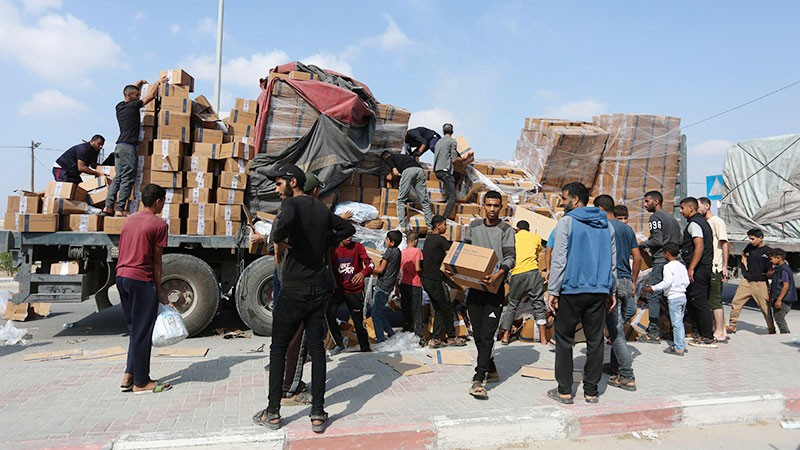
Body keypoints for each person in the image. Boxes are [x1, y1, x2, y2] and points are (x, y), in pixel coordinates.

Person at [253, 164, 353, 433]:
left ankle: (273, 412)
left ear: (293, 182)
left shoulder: (291, 206)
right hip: (318, 289)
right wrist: (325, 242)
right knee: (317, 350)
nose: (277, 189)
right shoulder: (321, 207)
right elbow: (347, 228)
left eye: (279, 184)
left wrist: (282, 240)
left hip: (294, 288)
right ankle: (318, 414)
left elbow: (280, 228)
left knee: (278, 348)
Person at [546, 183, 615, 405]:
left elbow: (559, 259)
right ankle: (591, 391)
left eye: (563, 198)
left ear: (576, 200)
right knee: (596, 341)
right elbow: (611, 261)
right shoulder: (607, 226)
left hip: (571, 290)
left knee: (565, 340)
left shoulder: (567, 223)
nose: (562, 203)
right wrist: (610, 289)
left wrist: (552, 290)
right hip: (598, 291)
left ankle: (565, 390)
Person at [457, 191, 515, 400]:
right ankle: (490, 368)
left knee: (488, 334)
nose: (492, 209)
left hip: (494, 288)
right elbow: (464, 252)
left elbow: (510, 257)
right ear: (483, 205)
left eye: (496, 206)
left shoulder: (506, 230)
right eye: (489, 205)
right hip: (475, 288)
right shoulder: (473, 227)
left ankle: (478, 378)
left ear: (501, 207)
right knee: (480, 334)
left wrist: (499, 273)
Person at [116, 183, 171, 394]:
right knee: (143, 333)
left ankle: (128, 375)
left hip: (122, 277)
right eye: (163, 201)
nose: (163, 205)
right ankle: (141, 382)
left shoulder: (129, 220)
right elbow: (157, 262)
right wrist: (158, 289)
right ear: (158, 201)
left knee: (134, 331)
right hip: (141, 280)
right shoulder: (159, 225)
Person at [105, 76, 168, 217]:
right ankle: (120, 209)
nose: (139, 97)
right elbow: (151, 96)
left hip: (119, 147)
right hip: (128, 148)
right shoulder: (134, 106)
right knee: (127, 178)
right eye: (137, 95)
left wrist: (138, 83)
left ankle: (108, 207)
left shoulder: (119, 106)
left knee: (118, 177)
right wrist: (158, 82)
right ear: (129, 96)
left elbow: (128, 89)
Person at [594, 195, 639, 391]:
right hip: (626, 282)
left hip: (610, 283)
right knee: (617, 327)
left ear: (601, 209)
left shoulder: (602, 228)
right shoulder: (627, 229)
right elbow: (636, 258)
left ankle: (627, 376)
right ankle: (614, 365)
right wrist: (633, 281)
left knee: (616, 332)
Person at [638, 190, 682, 343]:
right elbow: (679, 239)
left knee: (653, 294)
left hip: (660, 260)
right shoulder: (672, 219)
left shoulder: (655, 217)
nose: (645, 205)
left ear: (656, 202)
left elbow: (657, 240)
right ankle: (670, 330)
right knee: (669, 295)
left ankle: (653, 333)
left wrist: (642, 244)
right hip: (674, 261)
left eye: (647, 201)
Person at [499, 220, 546, 345]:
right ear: (528, 229)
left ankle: (505, 336)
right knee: (538, 304)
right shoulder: (536, 237)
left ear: (517, 229)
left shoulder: (513, 238)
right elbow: (537, 255)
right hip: (533, 273)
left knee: (512, 305)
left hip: (517, 274)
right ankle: (543, 338)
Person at [422, 215, 466, 348]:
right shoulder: (440, 240)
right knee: (446, 307)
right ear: (437, 225)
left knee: (439, 308)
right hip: (435, 280)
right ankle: (452, 337)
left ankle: (436, 339)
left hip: (427, 279)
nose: (446, 227)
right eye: (444, 225)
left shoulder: (428, 239)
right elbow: (451, 254)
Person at [678, 197, 716, 348]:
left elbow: (699, 247)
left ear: (691, 208)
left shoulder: (695, 223)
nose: (680, 211)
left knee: (700, 302)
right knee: (695, 301)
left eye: (682, 208)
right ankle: (698, 333)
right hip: (703, 267)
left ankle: (708, 337)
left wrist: (691, 268)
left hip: (699, 268)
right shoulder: (701, 222)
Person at [329, 233, 373, 353]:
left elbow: (370, 264)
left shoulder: (358, 247)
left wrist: (363, 273)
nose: (349, 238)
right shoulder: (333, 249)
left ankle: (365, 347)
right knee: (329, 312)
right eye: (346, 235)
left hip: (354, 290)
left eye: (351, 235)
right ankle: (339, 342)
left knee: (358, 320)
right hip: (338, 289)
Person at [727, 229, 775, 334]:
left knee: (764, 307)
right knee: (736, 302)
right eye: (749, 238)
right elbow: (743, 255)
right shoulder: (749, 248)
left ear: (761, 238)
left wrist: (769, 273)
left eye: (753, 239)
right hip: (747, 281)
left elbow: (777, 263)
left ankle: (771, 329)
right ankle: (732, 325)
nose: (751, 241)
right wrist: (745, 268)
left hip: (760, 283)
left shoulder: (768, 251)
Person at [645, 243, 690, 356]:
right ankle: (681, 344)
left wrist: (653, 288)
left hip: (673, 297)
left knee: (676, 323)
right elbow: (687, 281)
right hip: (682, 296)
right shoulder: (681, 265)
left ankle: (678, 348)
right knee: (679, 322)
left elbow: (667, 282)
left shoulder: (668, 266)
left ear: (667, 254)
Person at [698, 197, 730, 342]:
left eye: (698, 206)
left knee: (715, 300)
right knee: (713, 300)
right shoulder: (705, 223)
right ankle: (721, 328)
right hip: (709, 265)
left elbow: (724, 244)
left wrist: (724, 266)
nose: (697, 209)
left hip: (716, 266)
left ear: (707, 206)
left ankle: (719, 332)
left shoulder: (717, 222)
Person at [381, 151, 434, 229]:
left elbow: (395, 173)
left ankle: (402, 226)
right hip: (420, 170)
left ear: (384, 157)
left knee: (401, 200)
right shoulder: (402, 156)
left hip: (408, 171)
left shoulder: (389, 158)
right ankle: (430, 227)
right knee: (424, 200)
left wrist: (390, 176)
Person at [371, 230, 403, 344]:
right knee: (378, 312)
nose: (385, 241)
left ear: (392, 242)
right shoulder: (398, 252)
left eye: (387, 239)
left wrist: (366, 269)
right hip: (389, 286)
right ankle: (390, 333)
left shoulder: (389, 252)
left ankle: (380, 339)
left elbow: (380, 270)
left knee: (375, 314)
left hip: (382, 286)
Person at [433, 123, 464, 219]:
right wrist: (464, 158)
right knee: (453, 198)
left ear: (443, 132)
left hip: (437, 171)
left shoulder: (438, 142)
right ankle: (444, 218)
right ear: (452, 132)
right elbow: (454, 159)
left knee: (456, 176)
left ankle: (446, 196)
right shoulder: (452, 141)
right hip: (445, 172)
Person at [400, 232, 424, 336]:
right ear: (415, 241)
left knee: (406, 309)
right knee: (416, 310)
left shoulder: (402, 252)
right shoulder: (417, 251)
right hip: (415, 283)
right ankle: (418, 334)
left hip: (404, 283)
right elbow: (418, 268)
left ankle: (407, 332)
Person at [768, 248, 796, 334]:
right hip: (779, 298)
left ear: (779, 258)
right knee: (778, 317)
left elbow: (785, 286)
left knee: (779, 318)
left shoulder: (784, 270)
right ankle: (785, 334)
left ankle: (785, 335)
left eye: (771, 259)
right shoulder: (779, 268)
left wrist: (779, 300)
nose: (770, 261)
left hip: (784, 300)